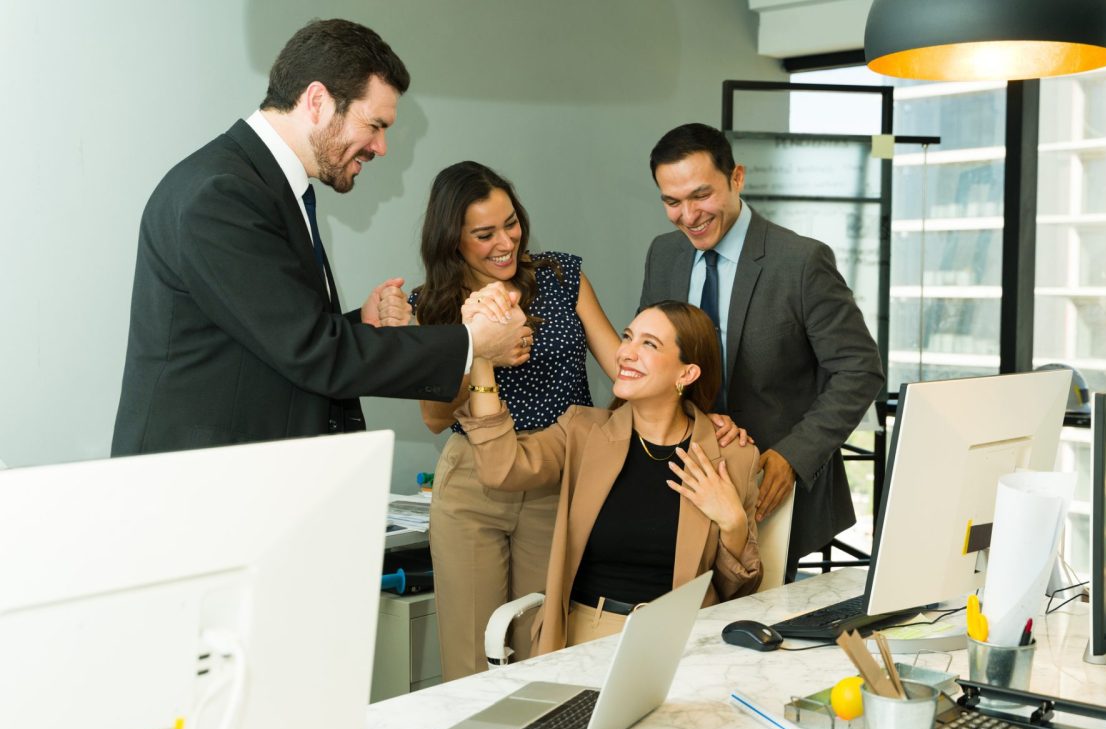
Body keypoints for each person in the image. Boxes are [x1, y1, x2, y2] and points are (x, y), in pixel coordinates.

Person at [111, 19, 529, 456]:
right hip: (198, 490)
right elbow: (312, 352)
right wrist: (470, 341)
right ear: (317, 101)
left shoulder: (264, 185)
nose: (381, 147)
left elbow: (272, 334)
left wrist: (356, 325)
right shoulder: (222, 194)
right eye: (375, 125)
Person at [400, 162, 748, 678]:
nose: (505, 242)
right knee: (473, 652)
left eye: (511, 223)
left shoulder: (560, 277)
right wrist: (480, 346)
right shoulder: (431, 304)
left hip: (558, 470)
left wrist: (704, 419)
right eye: (484, 233)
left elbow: (625, 366)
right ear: (453, 239)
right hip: (474, 475)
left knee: (541, 637)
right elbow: (433, 417)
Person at [640, 123, 884, 581]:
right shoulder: (664, 255)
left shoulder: (801, 261)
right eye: (672, 202)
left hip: (774, 489)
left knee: (760, 639)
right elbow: (652, 361)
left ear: (737, 179)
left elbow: (859, 371)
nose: (688, 215)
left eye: (701, 196)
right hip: (683, 483)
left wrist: (792, 457)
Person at [455, 299, 762, 655]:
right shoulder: (582, 432)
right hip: (586, 638)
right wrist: (479, 357)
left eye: (649, 344)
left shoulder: (733, 455)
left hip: (684, 645)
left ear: (687, 374)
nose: (626, 352)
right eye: (628, 337)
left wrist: (734, 524)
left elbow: (741, 595)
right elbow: (500, 468)